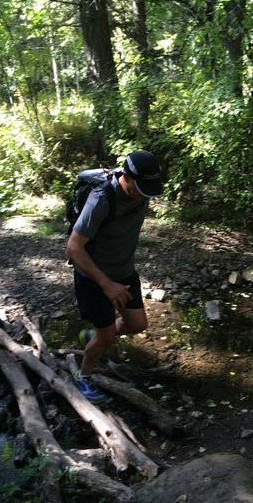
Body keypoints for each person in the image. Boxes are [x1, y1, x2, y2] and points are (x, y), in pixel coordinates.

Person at [66, 149, 164, 402]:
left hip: (124, 271)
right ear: (126, 176)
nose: (145, 194)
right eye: (140, 187)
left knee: (137, 324)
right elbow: (74, 248)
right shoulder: (101, 199)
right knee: (107, 333)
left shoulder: (142, 192)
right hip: (92, 276)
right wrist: (107, 285)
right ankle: (83, 377)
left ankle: (93, 337)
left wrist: (117, 280)